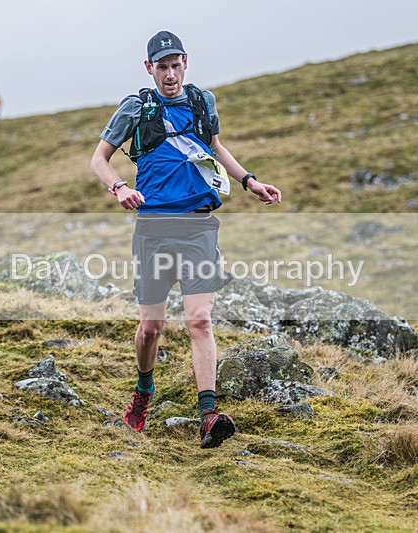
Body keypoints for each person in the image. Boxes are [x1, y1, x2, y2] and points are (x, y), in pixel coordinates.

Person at [90, 31, 282, 448]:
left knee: (199, 319)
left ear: (186, 63)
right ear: (149, 68)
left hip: (198, 226)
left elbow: (215, 147)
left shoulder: (202, 103)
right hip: (154, 229)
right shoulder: (135, 107)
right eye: (162, 66)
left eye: (176, 64)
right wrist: (120, 188)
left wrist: (249, 181)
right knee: (151, 327)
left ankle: (209, 415)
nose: (171, 73)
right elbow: (98, 158)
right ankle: (144, 390)